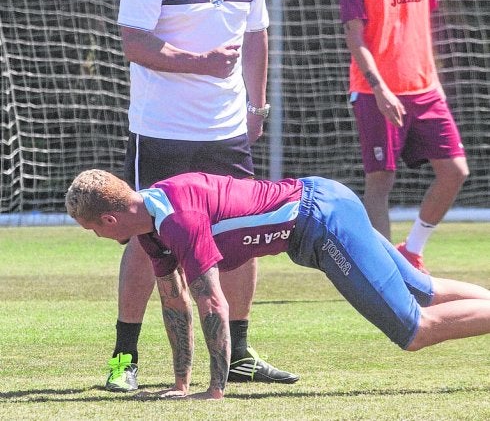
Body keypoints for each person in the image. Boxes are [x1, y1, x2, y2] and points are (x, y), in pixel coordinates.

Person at [110, 0, 297, 391]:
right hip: (162, 129)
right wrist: (202, 63)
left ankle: (238, 352)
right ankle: (124, 362)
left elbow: (257, 35)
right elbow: (133, 42)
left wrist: (256, 104)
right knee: (149, 244)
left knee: (242, 237)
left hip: (227, 131)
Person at [66, 169, 490, 400]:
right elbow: (175, 305)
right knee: (422, 290)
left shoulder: (179, 219)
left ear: (109, 219)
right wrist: (181, 383)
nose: (97, 238)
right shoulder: (150, 228)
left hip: (324, 222)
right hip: (324, 203)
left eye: (91, 230)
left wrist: (214, 390)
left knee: (414, 329)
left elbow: (212, 304)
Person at [339, 0, 469, 273]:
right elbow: (354, 35)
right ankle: (385, 274)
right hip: (375, 90)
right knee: (380, 181)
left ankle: (411, 250)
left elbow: (420, 25)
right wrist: (379, 88)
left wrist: (435, 79)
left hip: (425, 90)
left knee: (455, 171)